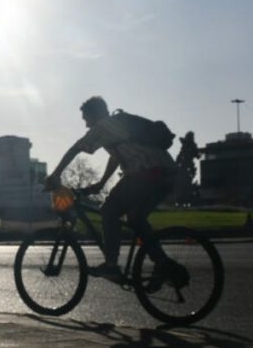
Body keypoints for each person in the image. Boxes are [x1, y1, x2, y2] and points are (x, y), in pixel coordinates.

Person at [45, 96, 187, 289]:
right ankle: (163, 264)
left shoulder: (104, 125)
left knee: (109, 211)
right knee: (135, 218)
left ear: (95, 114)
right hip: (166, 173)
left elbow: (76, 148)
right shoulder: (119, 123)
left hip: (146, 172)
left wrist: (55, 175)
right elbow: (117, 157)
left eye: (87, 119)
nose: (87, 126)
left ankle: (111, 265)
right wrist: (101, 183)